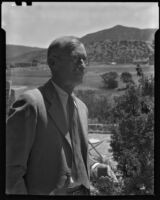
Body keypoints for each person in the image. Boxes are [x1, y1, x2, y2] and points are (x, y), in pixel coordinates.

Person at [6, 36, 118, 195]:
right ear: (53, 63)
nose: (83, 65)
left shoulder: (82, 108)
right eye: (76, 59)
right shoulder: (32, 104)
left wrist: (94, 166)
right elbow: (11, 172)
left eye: (85, 60)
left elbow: (75, 153)